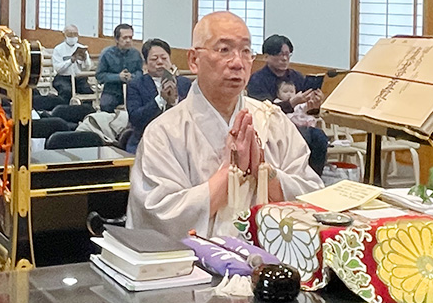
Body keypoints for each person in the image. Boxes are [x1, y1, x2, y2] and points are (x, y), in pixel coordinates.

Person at [128, 12, 322, 239]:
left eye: (246, 51)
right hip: (196, 259)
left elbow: (312, 198)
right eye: (224, 50)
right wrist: (229, 174)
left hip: (270, 256)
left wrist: (265, 173)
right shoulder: (164, 133)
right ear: (194, 60)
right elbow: (156, 217)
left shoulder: (272, 121)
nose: (238, 63)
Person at [246, 34, 330, 176]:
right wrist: (291, 103)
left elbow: (306, 111)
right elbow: (262, 110)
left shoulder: (296, 77)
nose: (284, 58)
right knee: (300, 138)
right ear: (266, 57)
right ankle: (290, 178)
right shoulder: (257, 80)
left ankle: (314, 179)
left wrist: (314, 105)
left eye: (287, 54)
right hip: (270, 128)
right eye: (280, 54)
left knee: (319, 137)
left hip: (298, 124)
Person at [125, 38, 192, 152]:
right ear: (145, 63)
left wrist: (175, 101)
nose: (160, 62)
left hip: (179, 141)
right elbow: (135, 119)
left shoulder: (184, 83)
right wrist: (160, 100)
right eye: (154, 59)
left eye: (164, 58)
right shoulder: (136, 84)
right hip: (146, 140)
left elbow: (193, 114)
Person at [96, 23, 144, 112]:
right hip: (112, 90)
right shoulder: (107, 54)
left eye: (130, 37)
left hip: (132, 90)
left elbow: (140, 72)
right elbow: (100, 76)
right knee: (105, 105)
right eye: (125, 38)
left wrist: (132, 76)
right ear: (116, 39)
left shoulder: (136, 54)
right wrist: (118, 77)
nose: (128, 40)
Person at [51, 24, 92, 102]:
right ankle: (64, 107)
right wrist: (70, 61)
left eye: (75, 34)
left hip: (79, 78)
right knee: (66, 91)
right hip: (63, 78)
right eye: (70, 34)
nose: (73, 36)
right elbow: (57, 68)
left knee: (87, 91)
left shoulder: (81, 48)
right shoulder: (58, 49)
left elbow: (88, 67)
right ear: (64, 35)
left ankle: (86, 108)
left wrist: (85, 59)